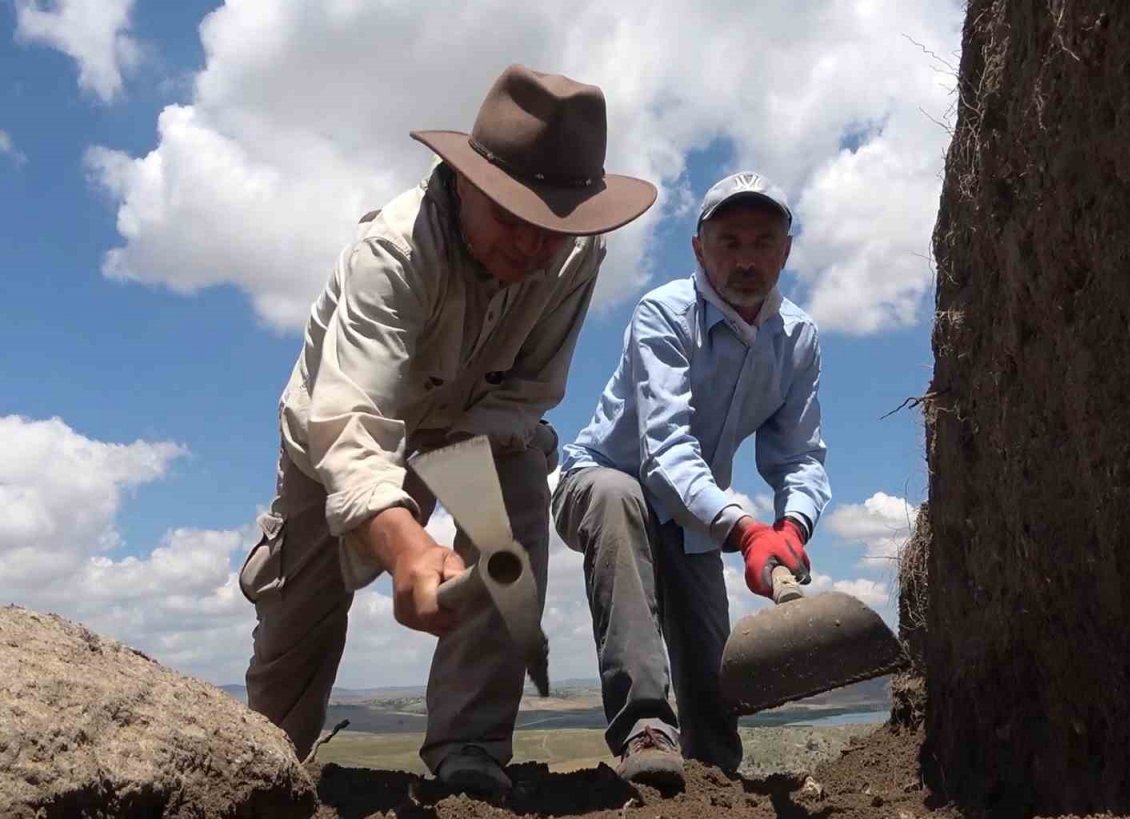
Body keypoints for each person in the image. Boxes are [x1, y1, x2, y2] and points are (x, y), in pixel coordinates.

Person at [237, 64, 656, 797]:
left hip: (477, 425)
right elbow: (348, 426)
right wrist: (405, 542)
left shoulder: (575, 253)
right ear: (466, 182)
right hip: (343, 433)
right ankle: (261, 773)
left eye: (552, 228)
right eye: (514, 220)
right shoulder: (394, 251)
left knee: (517, 491)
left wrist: (462, 485)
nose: (533, 249)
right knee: (292, 644)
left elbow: (529, 390)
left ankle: (471, 750)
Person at [553, 171, 832, 790]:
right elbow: (666, 451)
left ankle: (713, 777)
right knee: (618, 495)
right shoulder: (664, 314)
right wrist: (743, 529)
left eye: (763, 243)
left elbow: (799, 455)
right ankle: (645, 728)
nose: (746, 260)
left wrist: (790, 527)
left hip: (692, 514)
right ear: (699, 248)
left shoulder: (798, 340)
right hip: (600, 481)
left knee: (712, 677)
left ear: (786, 250)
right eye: (729, 242)